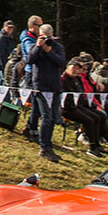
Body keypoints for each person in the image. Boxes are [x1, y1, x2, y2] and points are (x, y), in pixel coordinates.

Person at [62, 57, 108, 157]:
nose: (75, 70)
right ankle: (92, 147)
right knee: (90, 120)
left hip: (80, 106)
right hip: (68, 108)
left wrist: (94, 105)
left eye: (78, 69)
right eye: (74, 68)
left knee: (99, 116)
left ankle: (97, 144)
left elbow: (83, 96)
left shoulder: (77, 79)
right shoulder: (62, 79)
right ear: (68, 67)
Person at [27, 23, 66, 162]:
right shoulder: (35, 46)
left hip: (54, 86)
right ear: (40, 36)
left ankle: (48, 145)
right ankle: (44, 147)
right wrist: (38, 47)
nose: (47, 40)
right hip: (41, 86)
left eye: (49, 37)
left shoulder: (58, 47)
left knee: (53, 118)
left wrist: (50, 51)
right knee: (46, 117)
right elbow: (29, 60)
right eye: (45, 37)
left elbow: (61, 62)